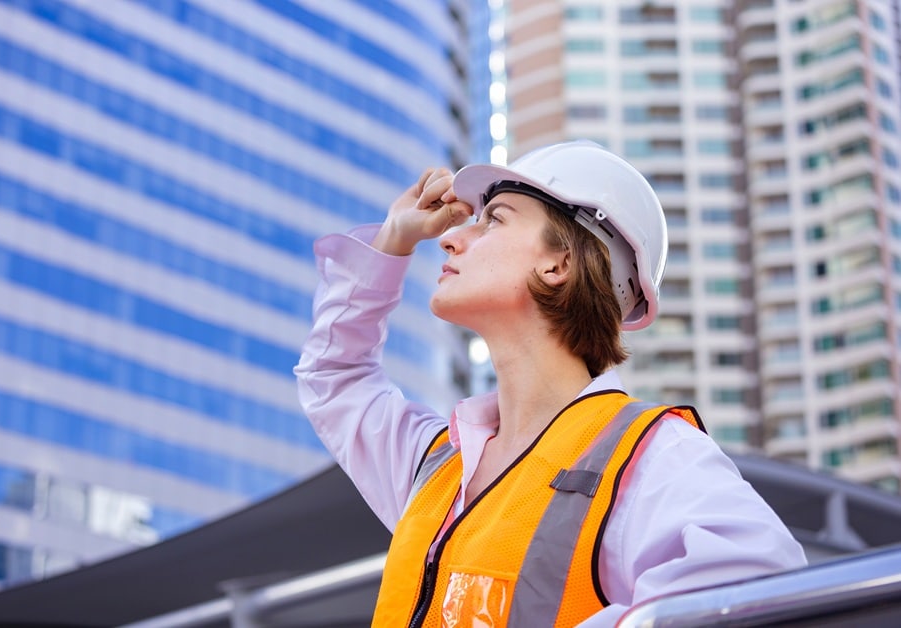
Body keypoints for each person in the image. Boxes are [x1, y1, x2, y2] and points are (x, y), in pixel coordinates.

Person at [294, 140, 806, 627]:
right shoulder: (436, 468)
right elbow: (334, 377)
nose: (451, 236)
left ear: (558, 262)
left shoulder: (650, 456)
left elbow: (759, 590)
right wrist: (392, 240)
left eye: (494, 219)